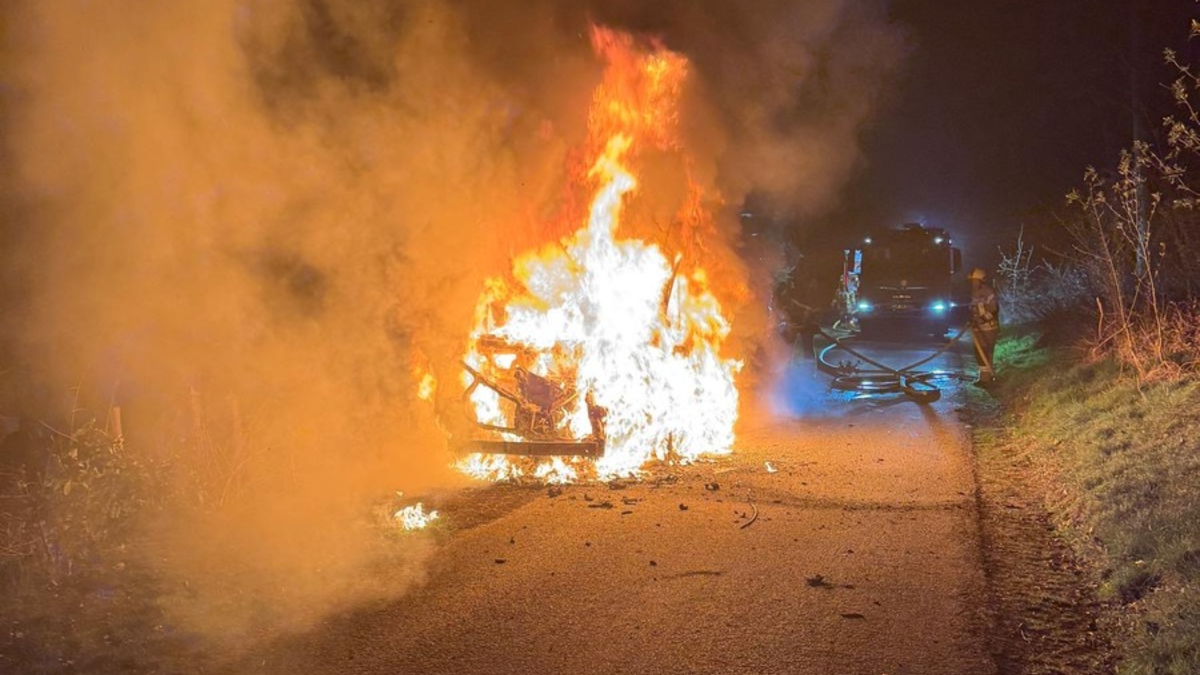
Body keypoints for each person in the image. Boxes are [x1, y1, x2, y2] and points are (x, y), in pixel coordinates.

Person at [968, 267, 1000, 386]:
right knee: (979, 352)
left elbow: (993, 310)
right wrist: (972, 320)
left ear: (981, 281)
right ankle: (984, 378)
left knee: (986, 352)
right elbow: (974, 309)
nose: (972, 283)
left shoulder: (988, 292)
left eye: (974, 281)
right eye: (972, 281)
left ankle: (988, 379)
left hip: (989, 329)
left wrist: (981, 320)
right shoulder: (974, 293)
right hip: (978, 328)